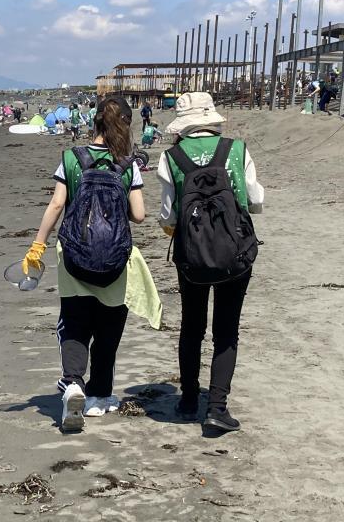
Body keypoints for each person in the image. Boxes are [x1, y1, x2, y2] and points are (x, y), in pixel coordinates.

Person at [22, 96, 150, 432]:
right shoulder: (128, 163)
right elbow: (139, 214)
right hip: (114, 260)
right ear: (125, 123)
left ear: (95, 122)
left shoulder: (71, 157)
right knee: (109, 326)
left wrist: (37, 245)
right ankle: (99, 396)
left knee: (75, 321)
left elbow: (56, 204)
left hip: (74, 256)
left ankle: (74, 383)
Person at [157, 92, 264, 433]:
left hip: (191, 256)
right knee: (226, 331)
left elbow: (167, 215)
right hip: (235, 253)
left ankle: (188, 400)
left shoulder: (171, 157)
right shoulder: (236, 149)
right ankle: (217, 407)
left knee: (191, 327)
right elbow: (254, 199)